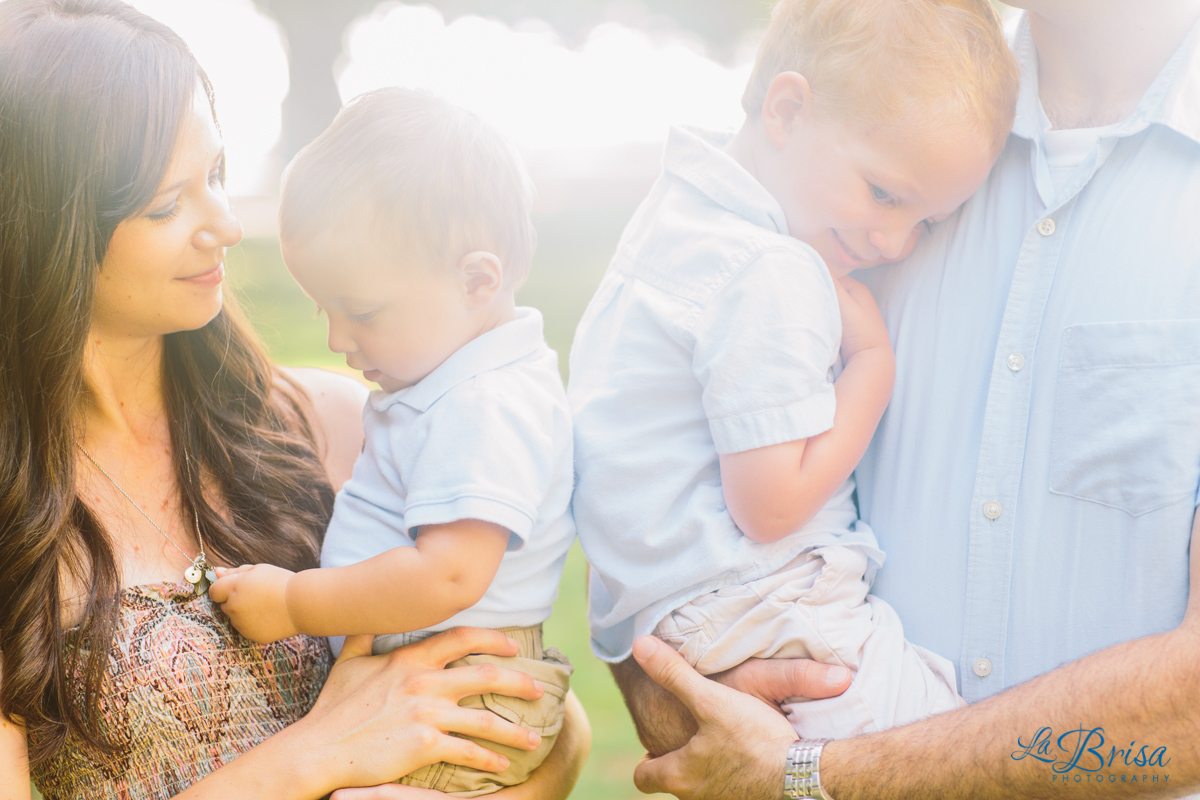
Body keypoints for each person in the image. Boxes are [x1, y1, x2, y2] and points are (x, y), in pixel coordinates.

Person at [0, 2, 588, 799]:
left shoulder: (332, 422)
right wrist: (317, 755)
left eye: (216, 176)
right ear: (46, 229)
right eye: (168, 205)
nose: (226, 227)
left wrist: (544, 749)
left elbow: (543, 739)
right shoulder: (17, 517)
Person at [614, 1, 1200, 798]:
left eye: (916, 216)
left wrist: (811, 775)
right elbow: (649, 446)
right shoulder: (890, 131)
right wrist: (670, 686)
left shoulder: (895, 177)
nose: (898, 235)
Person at [568, 0, 1017, 743]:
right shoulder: (769, 270)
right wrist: (871, 370)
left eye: (926, 222)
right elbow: (771, 505)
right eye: (884, 194)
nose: (896, 243)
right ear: (785, 109)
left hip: (677, 601)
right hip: (762, 602)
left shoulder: (674, 218)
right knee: (962, 755)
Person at [210, 88, 576, 797]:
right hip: (444, 669)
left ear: (477, 279)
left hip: (462, 683)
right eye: (325, 310)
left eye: (362, 312)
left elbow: (448, 576)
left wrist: (293, 603)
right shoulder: (455, 384)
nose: (337, 341)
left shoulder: (482, 402)